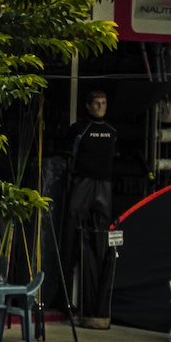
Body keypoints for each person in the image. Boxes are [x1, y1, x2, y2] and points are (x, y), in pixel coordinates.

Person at [61, 89, 119, 328]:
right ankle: (65, 300)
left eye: (103, 103)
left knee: (101, 240)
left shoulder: (113, 132)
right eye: (96, 103)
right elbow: (68, 157)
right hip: (82, 183)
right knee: (72, 237)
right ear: (87, 106)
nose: (100, 107)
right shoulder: (79, 128)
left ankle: (97, 301)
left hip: (103, 185)